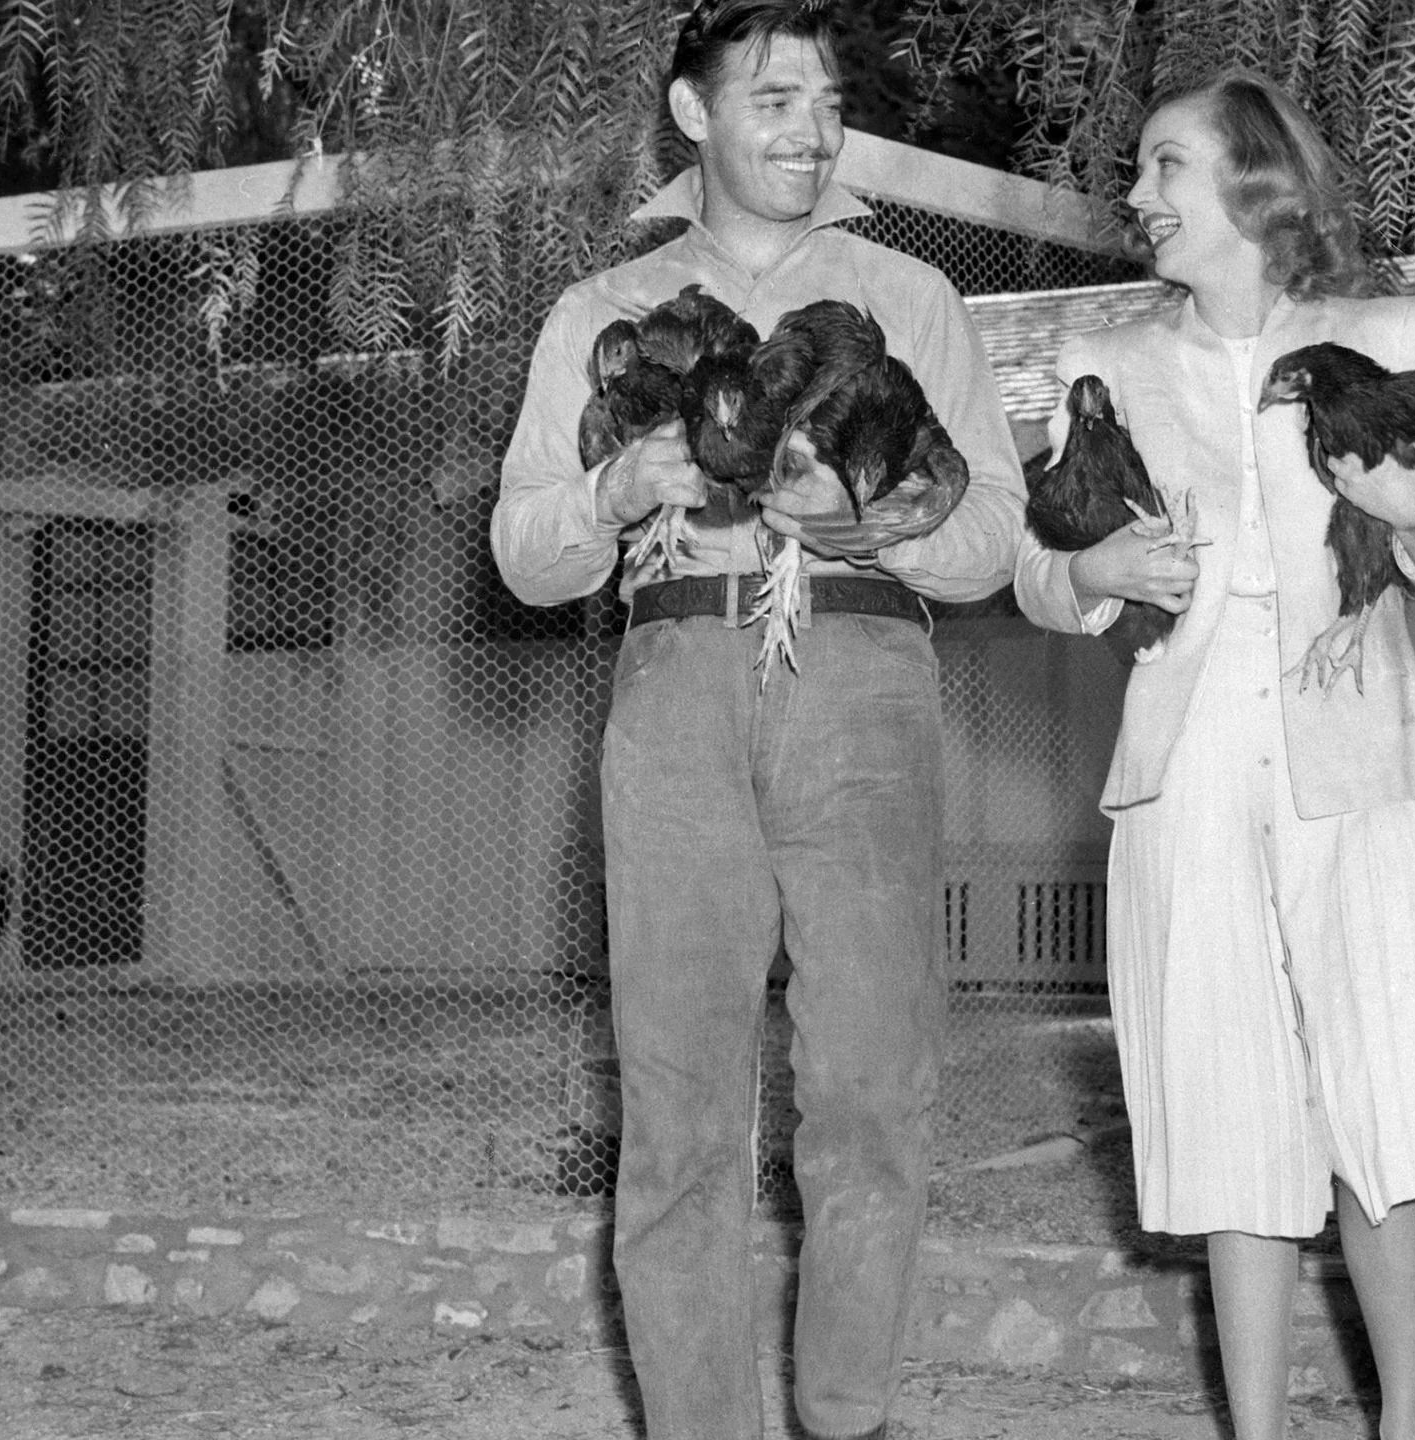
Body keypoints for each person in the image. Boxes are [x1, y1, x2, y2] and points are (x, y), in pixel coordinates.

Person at [490, 2, 1026, 1436]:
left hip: (860, 684)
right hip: (673, 688)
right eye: (776, 98)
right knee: (676, 1108)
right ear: (693, 113)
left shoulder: (912, 298)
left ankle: (846, 1415)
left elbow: (989, 544)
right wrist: (616, 489)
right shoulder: (601, 315)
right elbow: (526, 556)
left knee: (872, 1089)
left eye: (828, 99)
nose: (811, 126)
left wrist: (871, 520)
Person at [1012, 71, 1415, 1440]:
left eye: (1168, 165)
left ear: (1255, 183)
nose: (1141, 193)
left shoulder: (1393, 334)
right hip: (1189, 762)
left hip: (1357, 759)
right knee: (1228, 1103)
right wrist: (1095, 566)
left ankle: (1405, 1420)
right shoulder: (1104, 366)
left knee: (1383, 1088)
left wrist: (1410, 516)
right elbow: (1047, 581)